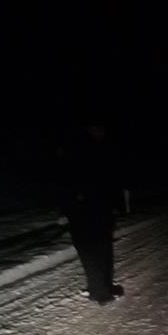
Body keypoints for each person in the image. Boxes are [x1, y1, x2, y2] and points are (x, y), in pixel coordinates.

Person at [59, 117, 128, 304]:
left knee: (91, 252)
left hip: (85, 209)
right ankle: (103, 287)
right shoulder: (104, 149)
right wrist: (119, 206)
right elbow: (115, 179)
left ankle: (100, 291)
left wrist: (65, 208)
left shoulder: (76, 149)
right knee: (101, 249)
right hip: (98, 208)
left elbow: (65, 181)